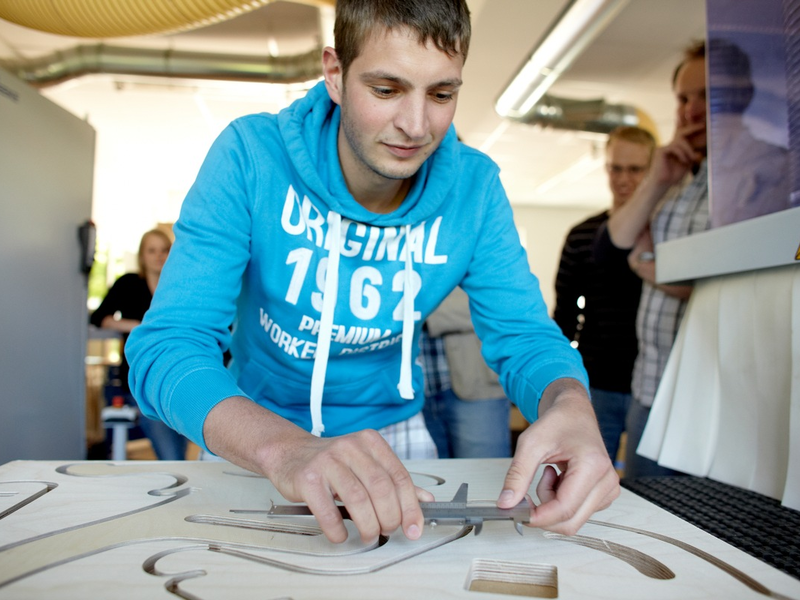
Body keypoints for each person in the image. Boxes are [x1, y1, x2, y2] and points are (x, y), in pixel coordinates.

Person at [126, 0, 618, 544]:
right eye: (386, 90)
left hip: (394, 435)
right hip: (253, 428)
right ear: (334, 74)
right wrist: (283, 448)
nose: (415, 125)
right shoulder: (250, 155)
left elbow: (525, 338)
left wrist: (571, 404)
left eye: (442, 94)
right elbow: (169, 345)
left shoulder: (475, 190)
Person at [607, 41, 711, 479]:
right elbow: (621, 236)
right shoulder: (678, 180)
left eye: (705, 95)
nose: (690, 111)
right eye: (684, 99)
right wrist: (659, 176)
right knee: (641, 511)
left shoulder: (752, 180)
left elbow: (723, 286)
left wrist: (652, 268)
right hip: (649, 385)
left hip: (703, 398)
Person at [554, 126, 656, 466]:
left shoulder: (665, 235)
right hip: (597, 380)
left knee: (649, 490)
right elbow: (565, 315)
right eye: (616, 168)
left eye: (635, 169)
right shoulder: (582, 235)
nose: (623, 178)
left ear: (652, 170)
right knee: (586, 474)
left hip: (655, 381)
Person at [91, 228, 189, 461]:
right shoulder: (128, 284)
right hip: (142, 379)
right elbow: (99, 317)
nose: (159, 256)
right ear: (142, 256)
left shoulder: (180, 287)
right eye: (152, 251)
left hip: (177, 375)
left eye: (164, 250)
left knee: (183, 453)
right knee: (172, 456)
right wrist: (137, 326)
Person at [421, 287, 511, 459]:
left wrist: (412, 312)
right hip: (411, 393)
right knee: (428, 481)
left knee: (484, 478)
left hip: (476, 384)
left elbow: (500, 301)